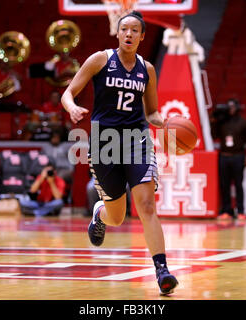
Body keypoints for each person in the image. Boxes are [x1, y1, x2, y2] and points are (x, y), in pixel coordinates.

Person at [61, 11, 178, 295]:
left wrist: (163, 121)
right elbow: (68, 93)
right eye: (124, 28)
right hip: (105, 143)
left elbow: (150, 111)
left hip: (137, 140)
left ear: (142, 36)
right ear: (118, 32)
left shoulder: (147, 69)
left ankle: (162, 270)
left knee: (147, 205)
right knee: (117, 217)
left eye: (134, 30)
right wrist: (72, 108)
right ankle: (99, 215)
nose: (128, 34)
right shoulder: (100, 59)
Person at [210, 99, 246, 221]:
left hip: (238, 156)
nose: (231, 109)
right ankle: (226, 210)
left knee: (239, 184)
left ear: (238, 108)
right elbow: (214, 136)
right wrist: (213, 121)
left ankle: (240, 210)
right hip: (224, 156)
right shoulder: (222, 122)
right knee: (225, 185)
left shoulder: (244, 122)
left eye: (234, 107)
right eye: (229, 107)